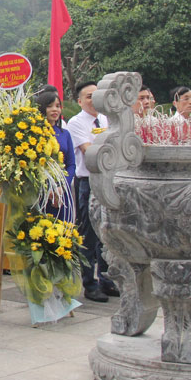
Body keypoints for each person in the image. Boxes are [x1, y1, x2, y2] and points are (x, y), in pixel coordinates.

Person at [68, 81, 118, 303]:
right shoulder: (76, 123)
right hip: (88, 182)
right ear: (79, 101)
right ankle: (89, 284)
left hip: (110, 179)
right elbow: (90, 152)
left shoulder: (109, 119)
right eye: (88, 96)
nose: (93, 99)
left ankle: (107, 279)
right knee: (89, 235)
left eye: (96, 95)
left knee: (107, 234)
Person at [36, 91, 76, 223]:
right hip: (42, 192)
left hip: (62, 191)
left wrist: (61, 186)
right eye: (50, 106)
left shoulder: (65, 134)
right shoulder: (34, 135)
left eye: (58, 106)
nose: (55, 109)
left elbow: (71, 164)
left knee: (63, 232)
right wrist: (49, 188)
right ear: (42, 108)